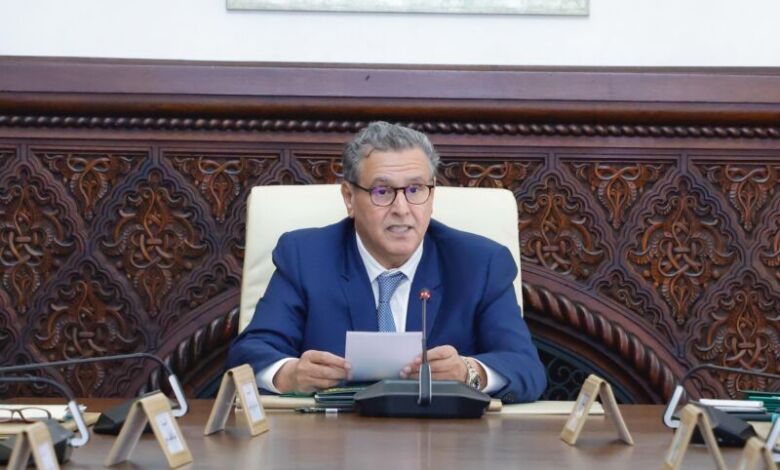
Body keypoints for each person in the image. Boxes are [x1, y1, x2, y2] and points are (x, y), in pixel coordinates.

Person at [227, 121, 546, 403]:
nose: (402, 209)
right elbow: (249, 355)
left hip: (444, 442)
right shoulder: (306, 256)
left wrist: (469, 372)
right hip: (331, 440)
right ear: (349, 198)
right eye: (382, 191)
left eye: (415, 190)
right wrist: (289, 375)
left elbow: (526, 368)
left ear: (432, 195)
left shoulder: (480, 264)